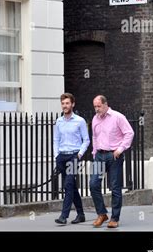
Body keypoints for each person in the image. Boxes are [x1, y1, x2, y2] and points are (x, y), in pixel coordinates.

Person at [90, 95, 134, 228]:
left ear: (105, 105)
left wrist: (120, 149)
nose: (97, 109)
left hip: (114, 155)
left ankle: (114, 218)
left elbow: (129, 133)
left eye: (99, 106)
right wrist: (94, 152)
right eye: (95, 106)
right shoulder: (95, 119)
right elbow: (95, 137)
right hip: (99, 155)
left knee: (115, 187)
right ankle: (102, 214)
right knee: (93, 184)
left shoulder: (117, 117)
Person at [53, 93, 90, 225]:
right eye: (63, 103)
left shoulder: (79, 121)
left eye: (67, 103)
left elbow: (86, 140)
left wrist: (79, 154)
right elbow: (56, 139)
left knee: (68, 185)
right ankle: (81, 214)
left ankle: (64, 216)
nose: (65, 106)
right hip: (61, 156)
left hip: (74, 155)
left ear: (72, 104)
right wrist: (56, 155)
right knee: (72, 187)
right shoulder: (58, 121)